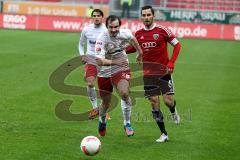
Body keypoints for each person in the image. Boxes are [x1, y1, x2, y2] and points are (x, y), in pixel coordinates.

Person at [126, 5, 181, 143]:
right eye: (143, 15)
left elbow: (177, 45)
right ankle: (164, 133)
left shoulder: (162, 30)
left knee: (168, 101)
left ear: (153, 15)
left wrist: (171, 63)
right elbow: (134, 47)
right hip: (148, 73)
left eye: (148, 15)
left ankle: (173, 110)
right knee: (154, 102)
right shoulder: (138, 34)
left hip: (164, 72)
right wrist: (121, 51)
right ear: (141, 17)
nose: (146, 18)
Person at [95, 15, 143, 137]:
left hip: (121, 67)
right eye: (111, 27)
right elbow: (99, 61)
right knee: (106, 103)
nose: (114, 30)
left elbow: (133, 39)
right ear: (107, 27)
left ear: (119, 26)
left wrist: (140, 52)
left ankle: (127, 123)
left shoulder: (125, 33)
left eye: (116, 27)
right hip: (104, 71)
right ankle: (102, 120)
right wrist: (115, 62)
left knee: (124, 93)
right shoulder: (102, 39)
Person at [78, 9, 111, 120]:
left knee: (104, 87)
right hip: (91, 59)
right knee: (90, 83)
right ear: (92, 17)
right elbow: (81, 44)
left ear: (102, 17)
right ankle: (95, 108)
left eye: (98, 16)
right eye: (94, 16)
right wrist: (82, 55)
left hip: (103, 60)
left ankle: (104, 109)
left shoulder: (107, 30)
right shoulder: (87, 30)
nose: (96, 17)